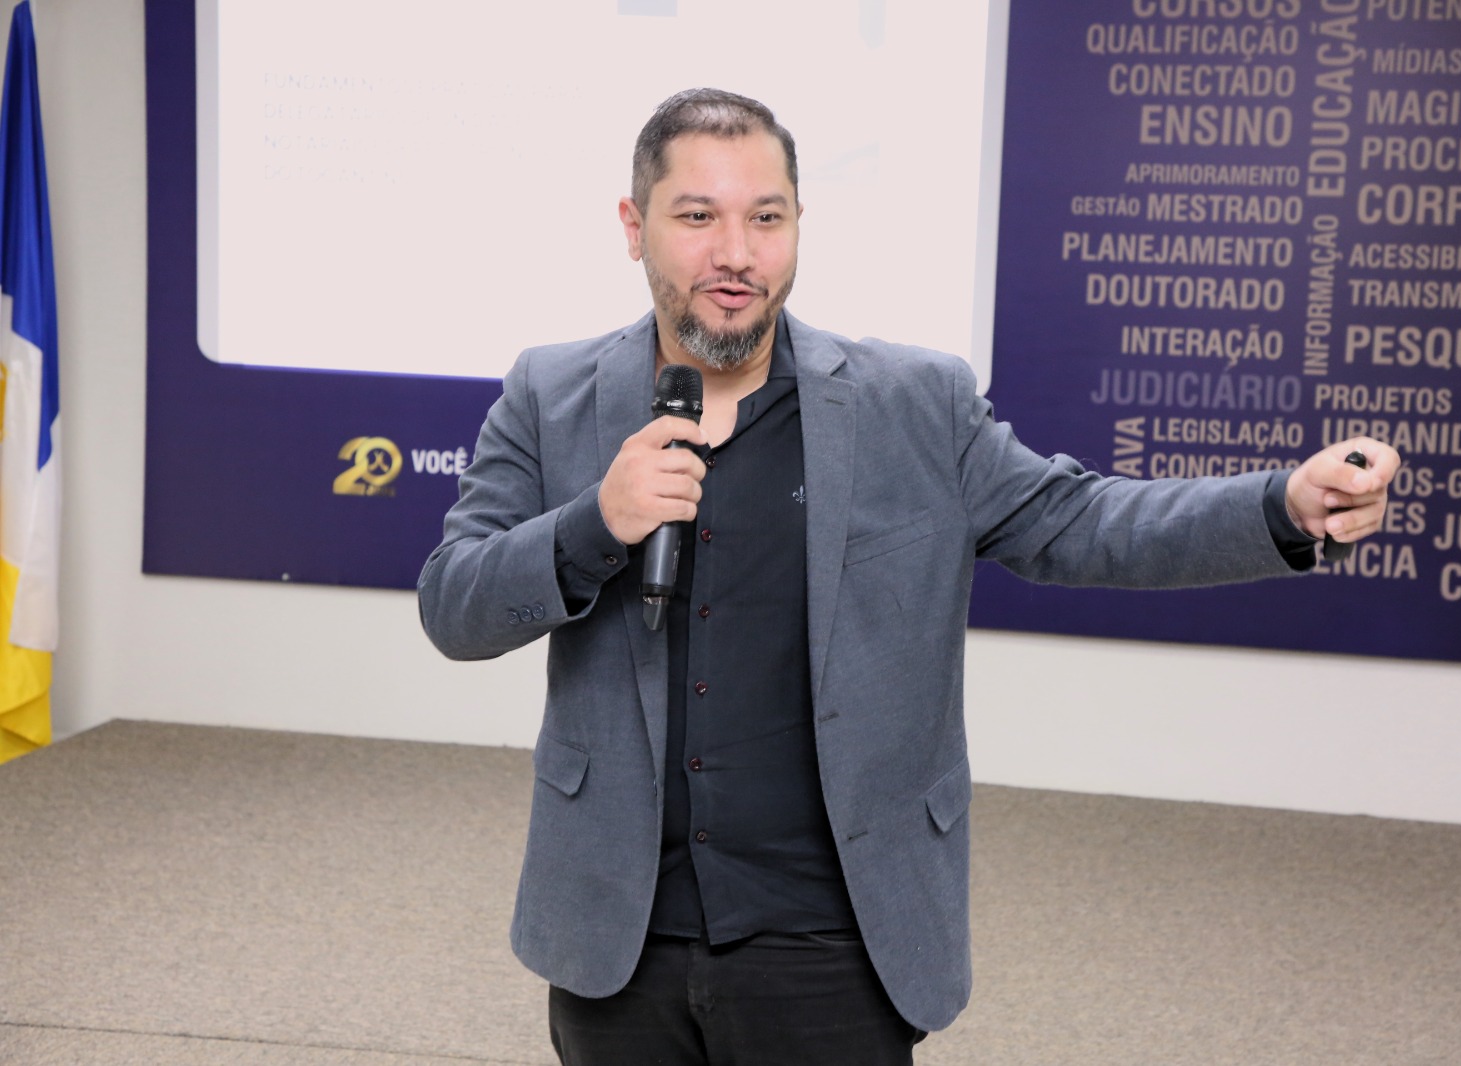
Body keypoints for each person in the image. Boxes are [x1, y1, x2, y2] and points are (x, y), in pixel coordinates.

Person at [418, 88, 1400, 1066]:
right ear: (635, 228)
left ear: (799, 226)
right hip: (616, 935)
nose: (736, 253)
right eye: (698, 216)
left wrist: (1282, 505)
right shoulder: (548, 393)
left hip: (833, 933)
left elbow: (1084, 521)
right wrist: (594, 523)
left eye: (766, 217)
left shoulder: (914, 402)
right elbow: (455, 605)